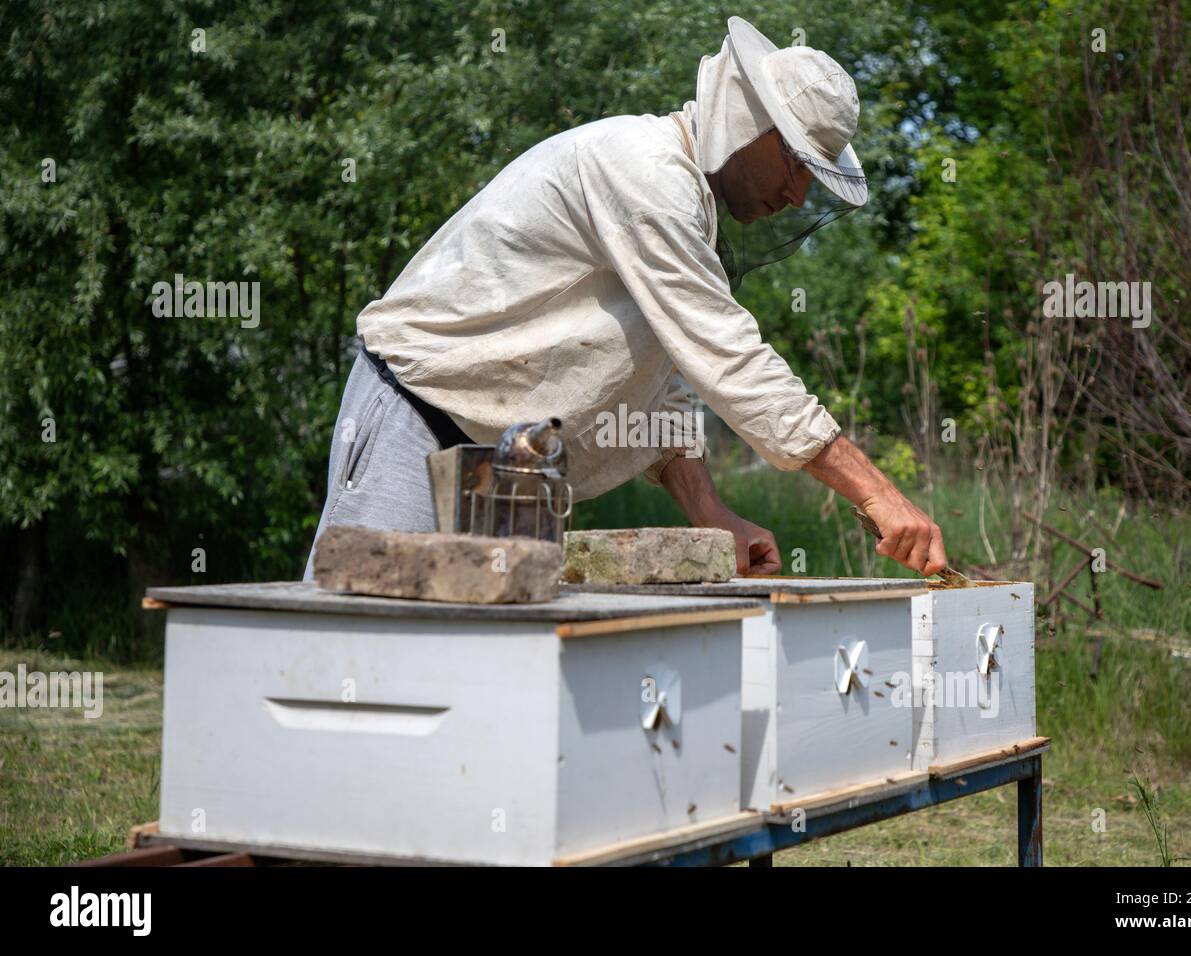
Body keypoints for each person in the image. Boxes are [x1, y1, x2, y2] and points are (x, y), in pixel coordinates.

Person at [304, 17, 947, 580]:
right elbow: (732, 360)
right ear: (753, 124)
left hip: (515, 470)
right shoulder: (648, 171)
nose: (800, 196)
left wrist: (709, 512)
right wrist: (876, 492)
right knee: (359, 649)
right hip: (419, 421)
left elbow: (658, 383)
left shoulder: (687, 205)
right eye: (799, 165)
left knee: (481, 682)